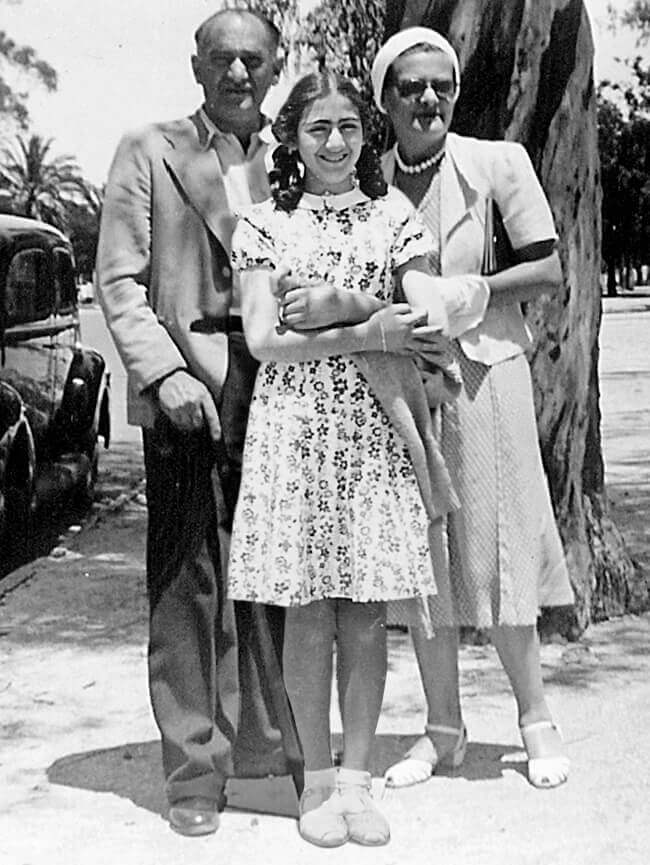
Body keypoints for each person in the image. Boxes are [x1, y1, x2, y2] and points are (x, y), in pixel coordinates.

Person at [227, 70, 458, 848]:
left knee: (363, 613)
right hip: (293, 431)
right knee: (306, 609)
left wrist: (343, 304)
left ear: (368, 135)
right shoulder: (263, 225)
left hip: (370, 431)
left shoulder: (394, 219)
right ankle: (318, 783)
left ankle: (357, 782)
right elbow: (265, 341)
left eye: (349, 128)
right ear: (292, 137)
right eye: (318, 128)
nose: (334, 143)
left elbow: (426, 316)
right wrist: (370, 330)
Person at [96, 8, 302, 836]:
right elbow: (119, 280)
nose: (238, 73)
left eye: (253, 59)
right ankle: (192, 771)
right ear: (197, 66)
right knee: (188, 584)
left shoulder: (296, 159)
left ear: (276, 66)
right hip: (188, 391)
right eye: (222, 58)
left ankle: (264, 757)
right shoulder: (150, 150)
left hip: (281, 390)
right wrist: (165, 371)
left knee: (273, 580)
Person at [367, 27, 575, 790]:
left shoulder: (496, 163)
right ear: (385, 99)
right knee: (425, 555)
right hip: (403, 382)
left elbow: (548, 268)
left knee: (500, 540)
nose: (428, 99)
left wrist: (475, 292)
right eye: (411, 87)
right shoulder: (368, 182)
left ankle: (535, 718)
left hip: (488, 373)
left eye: (441, 85)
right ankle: (443, 729)